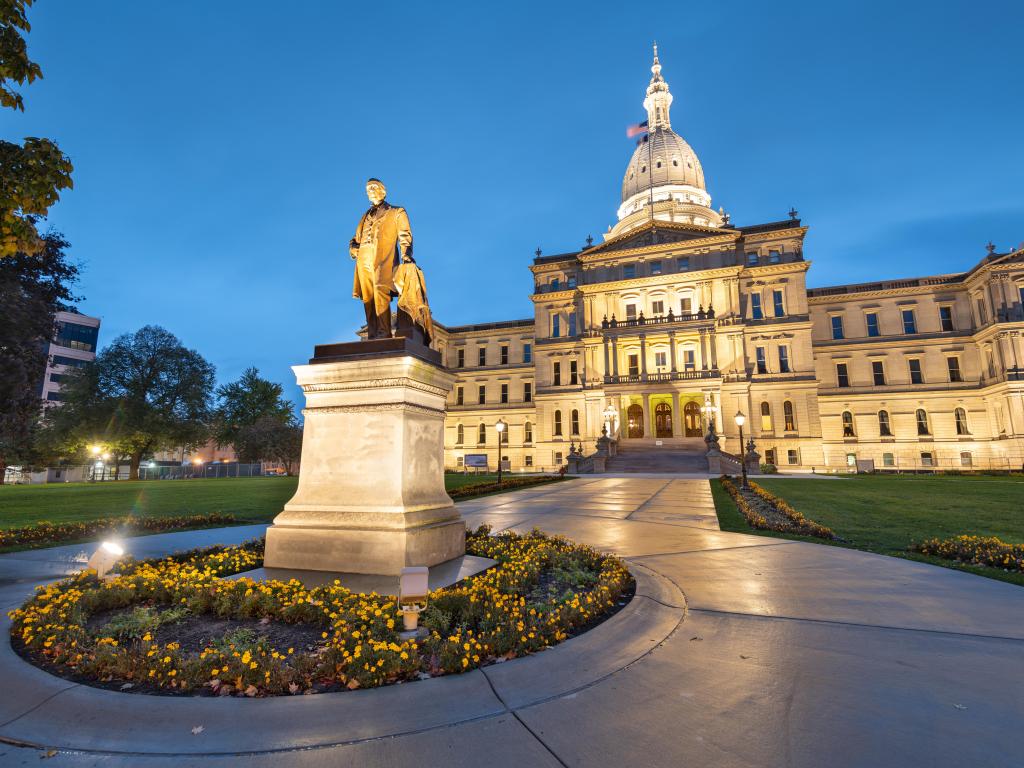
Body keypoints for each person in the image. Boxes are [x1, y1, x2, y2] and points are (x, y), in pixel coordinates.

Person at [349, 178, 412, 339]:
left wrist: (406, 255)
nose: (370, 190)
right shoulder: (365, 216)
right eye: (368, 188)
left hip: (384, 258)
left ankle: (384, 334)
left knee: (380, 290)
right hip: (363, 258)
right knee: (368, 297)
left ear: (383, 191)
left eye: (373, 187)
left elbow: (405, 235)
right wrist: (353, 247)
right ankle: (372, 334)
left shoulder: (396, 212)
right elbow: (355, 238)